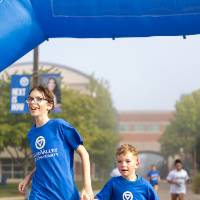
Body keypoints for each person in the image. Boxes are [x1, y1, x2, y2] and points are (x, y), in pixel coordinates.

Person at [18, 85, 93, 200]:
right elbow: (43, 162)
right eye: (30, 99)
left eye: (38, 99)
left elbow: (84, 154)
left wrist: (87, 187)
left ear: (49, 105)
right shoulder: (31, 134)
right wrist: (29, 176)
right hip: (39, 192)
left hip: (65, 193)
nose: (33, 102)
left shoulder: (59, 126)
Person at [95, 144, 159, 200]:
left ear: (137, 164)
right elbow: (100, 198)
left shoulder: (146, 186)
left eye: (127, 161)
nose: (123, 164)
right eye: (119, 161)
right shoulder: (113, 183)